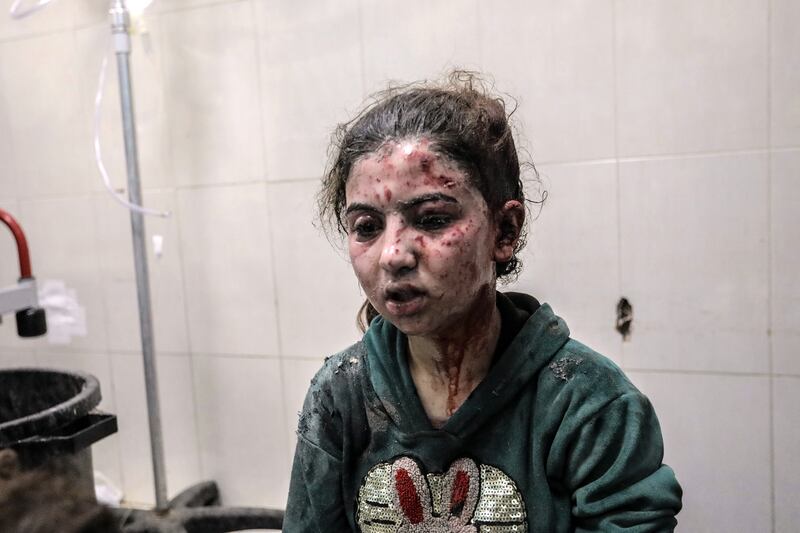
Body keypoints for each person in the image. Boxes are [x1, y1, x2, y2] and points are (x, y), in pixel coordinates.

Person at [284, 72, 682, 532]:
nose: (393, 254)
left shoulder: (588, 404)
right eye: (367, 227)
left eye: (432, 219)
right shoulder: (340, 396)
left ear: (504, 231)